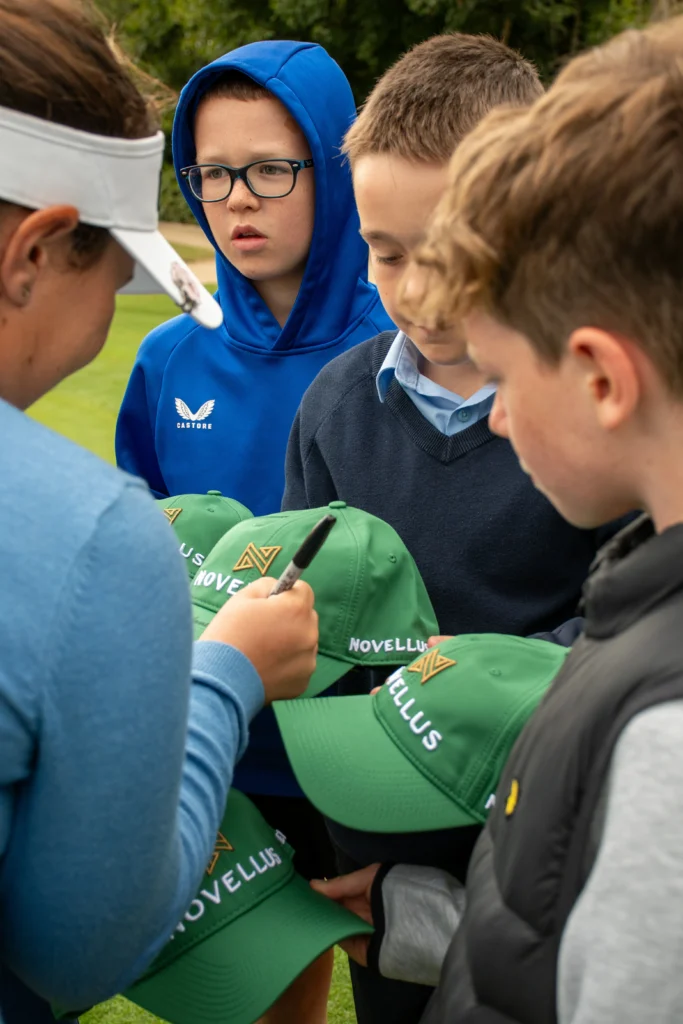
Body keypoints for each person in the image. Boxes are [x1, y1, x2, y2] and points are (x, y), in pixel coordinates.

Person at [318, 16, 683, 1024]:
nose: (497, 415)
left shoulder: (657, 722)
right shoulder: (637, 604)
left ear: (600, 372)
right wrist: (425, 912)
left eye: (505, 368)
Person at [0, 3, 318, 1022]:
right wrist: (223, 675)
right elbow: (76, 947)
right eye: (120, 271)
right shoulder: (91, 535)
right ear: (37, 251)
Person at [115, 40, 392, 516]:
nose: (238, 199)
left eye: (268, 169)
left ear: (335, 173)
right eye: (214, 172)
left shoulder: (406, 351)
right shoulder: (165, 361)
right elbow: (137, 553)